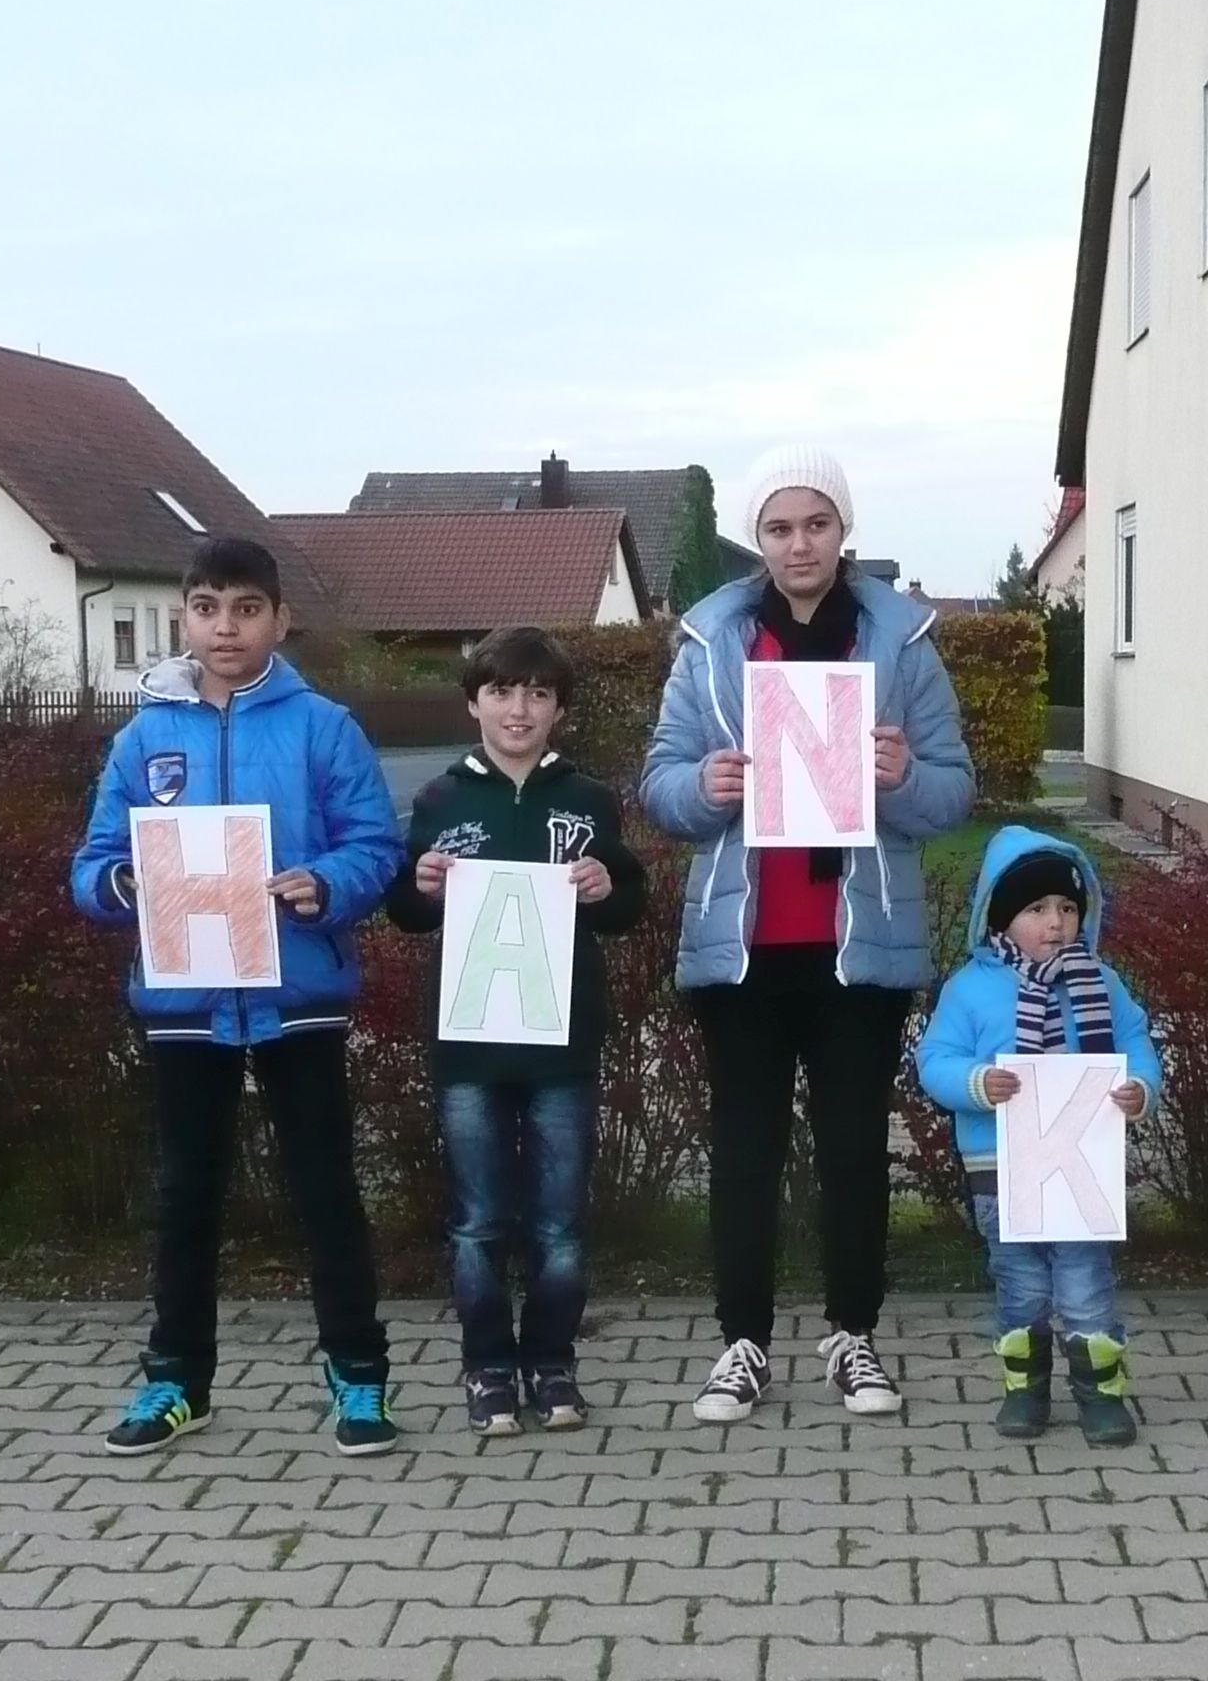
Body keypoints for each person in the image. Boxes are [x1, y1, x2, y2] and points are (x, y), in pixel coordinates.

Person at [640, 446, 976, 1424]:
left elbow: (952, 794)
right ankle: (740, 1344)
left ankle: (853, 1338)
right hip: (740, 946)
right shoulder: (710, 641)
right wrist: (699, 788)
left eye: (818, 524)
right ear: (758, 537)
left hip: (856, 946)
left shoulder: (903, 642)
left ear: (844, 531)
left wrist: (903, 773)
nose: (800, 544)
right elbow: (659, 783)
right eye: (781, 527)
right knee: (743, 1153)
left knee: (851, 1155)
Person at [70, 536, 405, 1458]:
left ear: (279, 619)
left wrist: (326, 885)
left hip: (298, 995)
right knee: (184, 1197)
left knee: (325, 1192)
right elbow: (92, 866)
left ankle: (359, 1378)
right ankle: (177, 1381)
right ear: (185, 616)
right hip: (184, 1004)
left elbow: (377, 847)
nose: (227, 626)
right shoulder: (144, 736)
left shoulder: (323, 726)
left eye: (247, 608)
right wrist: (130, 888)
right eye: (209, 606)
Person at [382, 625, 647, 1438]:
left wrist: (607, 886)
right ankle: (488, 1367)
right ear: (473, 703)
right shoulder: (439, 801)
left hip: (563, 1045)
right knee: (478, 1221)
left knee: (561, 1223)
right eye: (501, 691)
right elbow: (407, 912)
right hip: (469, 1049)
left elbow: (629, 908)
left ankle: (553, 1363)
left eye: (537, 693)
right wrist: (419, 886)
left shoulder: (588, 798)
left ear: (560, 707)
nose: (519, 708)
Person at [915, 830, 1160, 1445]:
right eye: (1037, 909)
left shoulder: (1101, 982)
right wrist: (976, 1083)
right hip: (999, 1167)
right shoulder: (970, 990)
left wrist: (1139, 1087)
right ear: (1001, 915)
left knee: (1085, 1284)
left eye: (1068, 908)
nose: (1056, 923)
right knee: (1020, 1284)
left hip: (1082, 1169)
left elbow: (1136, 1043)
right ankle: (1025, 1389)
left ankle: (1100, 1392)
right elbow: (934, 1059)